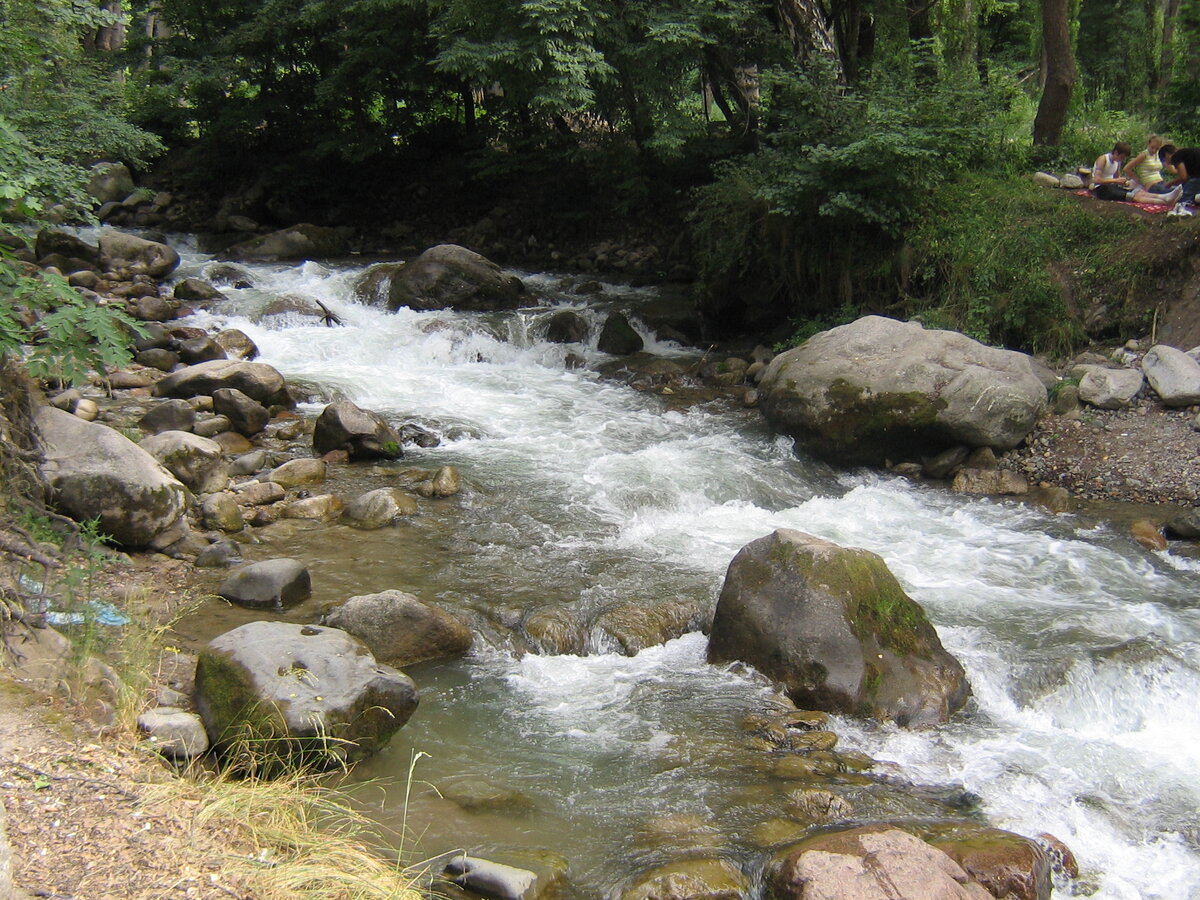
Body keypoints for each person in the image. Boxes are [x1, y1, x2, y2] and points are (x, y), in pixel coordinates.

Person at [1122, 136, 1183, 203]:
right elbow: (1126, 168)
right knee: (1176, 191)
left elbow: (1172, 169)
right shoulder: (1144, 155)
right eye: (1152, 147)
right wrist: (1137, 180)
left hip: (1161, 182)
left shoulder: (1159, 155)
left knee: (1181, 188)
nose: (1154, 150)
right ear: (1148, 144)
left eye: (1157, 149)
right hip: (1151, 185)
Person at [1166, 146, 1200, 215]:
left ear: (1167, 155)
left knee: (1185, 198)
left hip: (1197, 176)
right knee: (1194, 196)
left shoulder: (1176, 156)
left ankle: (1182, 210)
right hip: (1196, 175)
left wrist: (1170, 183)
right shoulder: (1187, 153)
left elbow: (1184, 177)